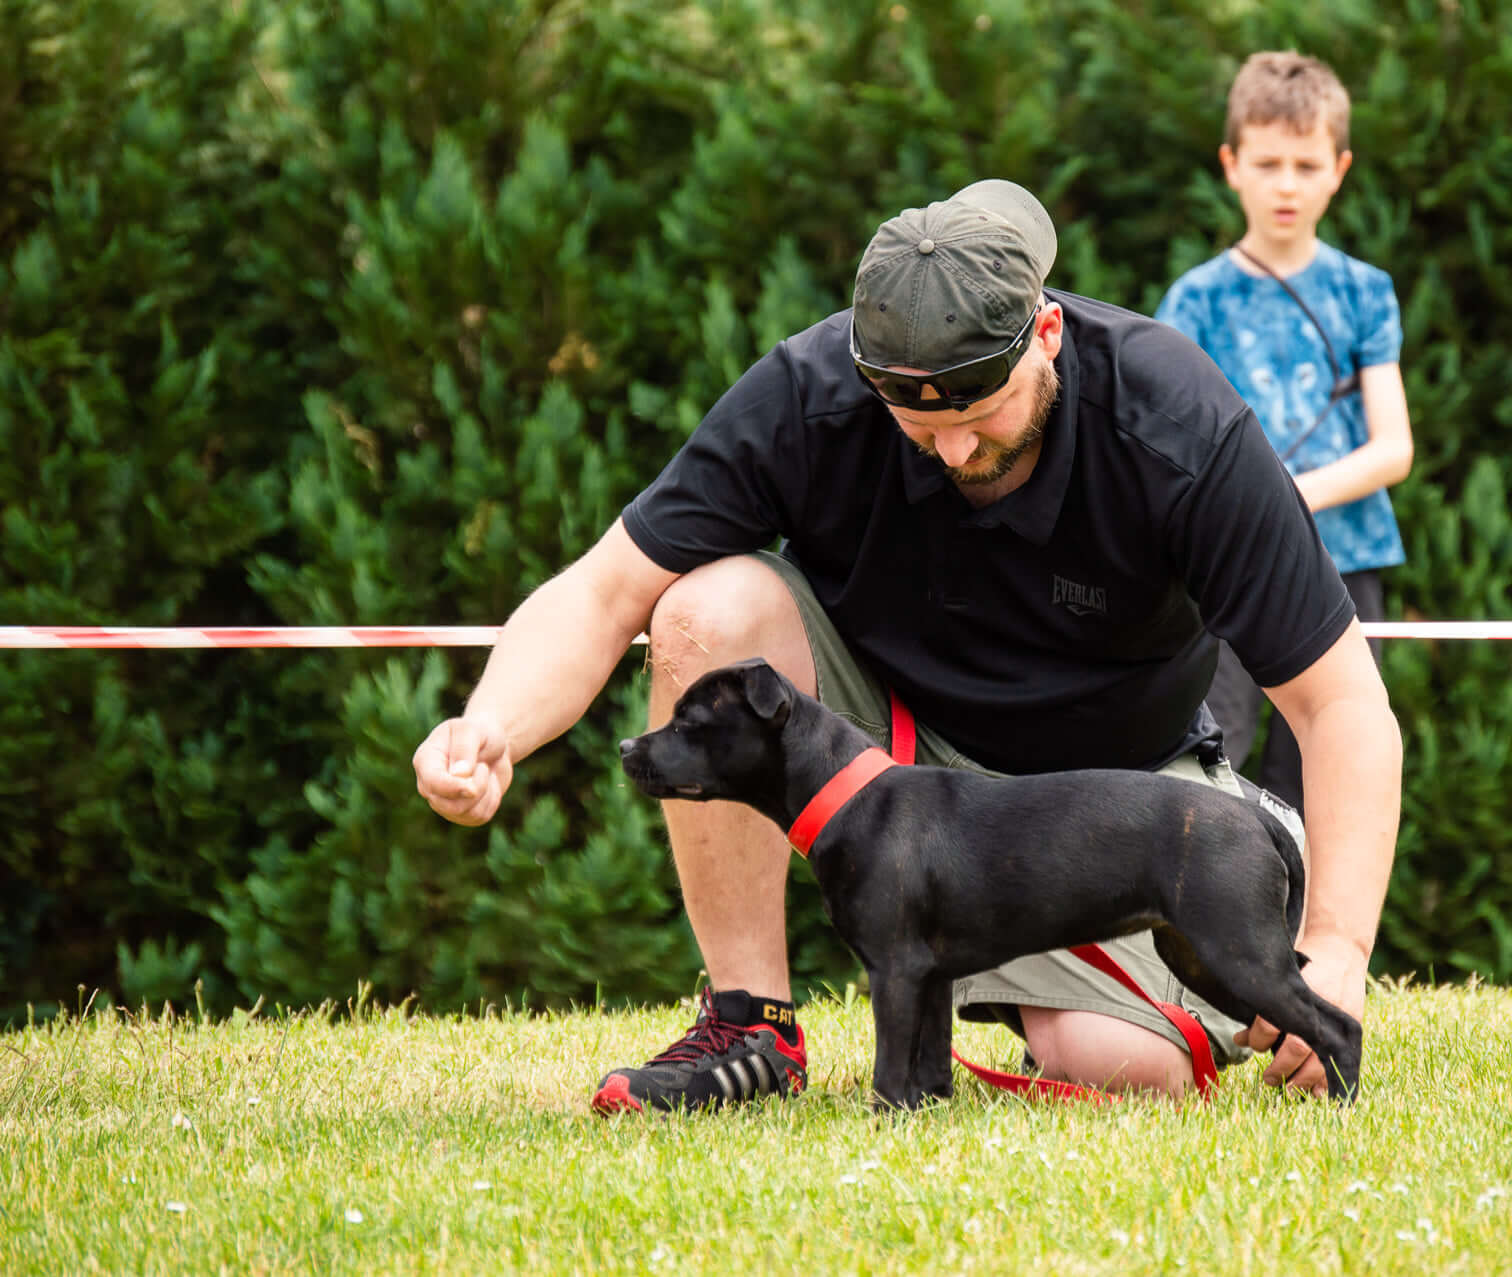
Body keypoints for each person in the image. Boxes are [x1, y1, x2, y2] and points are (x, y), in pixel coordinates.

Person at [412, 178, 1402, 1111]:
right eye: (919, 426)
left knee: (1120, 1068)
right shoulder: (805, 395)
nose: (957, 451)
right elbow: (603, 592)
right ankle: (748, 1026)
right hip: (896, 759)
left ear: (1045, 332)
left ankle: (1060, 977)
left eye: (982, 415)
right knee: (704, 612)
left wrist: (1340, 948)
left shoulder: (1176, 419)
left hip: (1111, 790)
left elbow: (1343, 703)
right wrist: (489, 724)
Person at [1156, 50, 1413, 810]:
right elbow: (1173, 452)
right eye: (1268, 163)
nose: (1288, 184)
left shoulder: (1366, 293)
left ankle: (1319, 933)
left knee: (1330, 771)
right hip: (1226, 573)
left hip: (1346, 566)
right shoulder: (1194, 300)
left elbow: (1393, 449)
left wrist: (1280, 496)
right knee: (1212, 767)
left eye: (1307, 164)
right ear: (1232, 165)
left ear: (1339, 168)